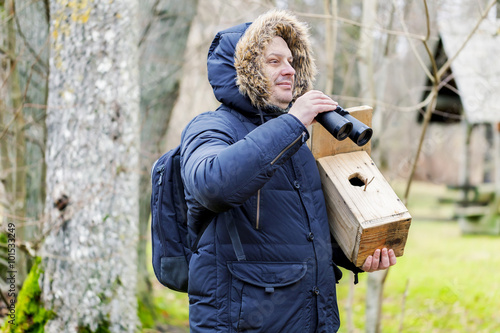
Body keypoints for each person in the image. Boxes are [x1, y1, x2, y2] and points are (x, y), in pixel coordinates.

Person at [180, 9, 396, 332]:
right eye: (274, 61)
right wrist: (294, 122)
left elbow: (303, 238)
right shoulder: (210, 127)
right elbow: (213, 184)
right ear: (246, 69)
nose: (289, 70)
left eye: (292, 62)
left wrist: (358, 255)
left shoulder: (296, 145)